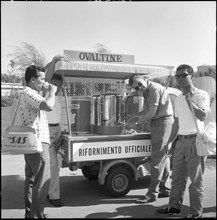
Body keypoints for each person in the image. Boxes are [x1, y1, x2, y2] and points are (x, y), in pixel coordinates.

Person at [155, 64, 210, 218]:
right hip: (181, 142)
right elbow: (177, 123)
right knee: (177, 178)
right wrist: (170, 141)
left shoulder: (201, 95)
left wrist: (189, 101)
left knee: (195, 181)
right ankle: (174, 207)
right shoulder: (178, 98)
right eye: (177, 76)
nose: (179, 78)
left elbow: (203, 116)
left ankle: (195, 212)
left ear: (191, 76)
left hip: (195, 142)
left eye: (183, 75)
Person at [126, 74, 174, 203]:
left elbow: (152, 113)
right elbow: (147, 110)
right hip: (160, 122)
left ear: (145, 79)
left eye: (140, 84)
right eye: (136, 88)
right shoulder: (147, 90)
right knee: (164, 156)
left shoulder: (154, 89)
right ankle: (166, 188)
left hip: (162, 122)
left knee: (157, 158)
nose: (139, 88)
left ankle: (152, 194)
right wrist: (134, 116)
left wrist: (136, 123)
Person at [20, 64, 57, 218]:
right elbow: (49, 105)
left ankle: (31, 214)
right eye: (41, 79)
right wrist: (53, 91)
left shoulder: (31, 92)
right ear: (33, 80)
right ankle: (36, 215)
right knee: (42, 182)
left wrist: (53, 63)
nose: (44, 82)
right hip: (37, 144)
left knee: (32, 180)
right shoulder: (29, 93)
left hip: (32, 142)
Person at [44, 55, 64, 207]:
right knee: (52, 164)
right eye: (56, 85)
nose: (58, 88)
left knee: (56, 164)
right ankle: (53, 195)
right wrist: (54, 60)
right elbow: (47, 76)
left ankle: (48, 192)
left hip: (56, 131)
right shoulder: (47, 93)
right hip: (49, 131)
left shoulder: (56, 96)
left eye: (60, 86)